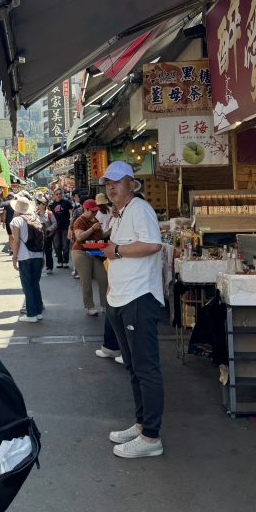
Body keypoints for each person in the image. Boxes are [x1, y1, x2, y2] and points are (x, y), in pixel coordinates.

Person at [101, 161, 165, 459]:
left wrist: (117, 250)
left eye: (117, 182)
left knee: (146, 368)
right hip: (121, 298)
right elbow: (113, 249)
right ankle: (141, 424)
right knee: (133, 366)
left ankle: (151, 437)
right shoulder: (122, 212)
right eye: (107, 183)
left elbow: (153, 245)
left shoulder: (140, 209)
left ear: (132, 184)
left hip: (139, 298)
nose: (111, 187)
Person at [71, 199, 109, 316]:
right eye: (92, 211)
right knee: (86, 281)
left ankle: (104, 304)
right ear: (85, 209)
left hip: (95, 252)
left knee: (103, 279)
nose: (95, 213)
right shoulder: (79, 220)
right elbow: (79, 237)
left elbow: (101, 236)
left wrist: (112, 229)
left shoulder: (95, 220)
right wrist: (92, 228)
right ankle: (89, 306)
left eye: (96, 211)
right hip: (81, 252)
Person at [10, 195, 44, 323]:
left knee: (27, 286)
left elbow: (16, 241)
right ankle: (38, 312)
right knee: (35, 284)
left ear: (17, 209)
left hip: (24, 256)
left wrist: (14, 257)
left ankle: (31, 315)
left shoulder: (16, 221)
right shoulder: (35, 218)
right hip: (38, 255)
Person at [49, 188, 72, 268]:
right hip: (56, 228)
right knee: (57, 245)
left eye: (60, 194)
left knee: (65, 245)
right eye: (57, 194)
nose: (58, 195)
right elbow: (49, 215)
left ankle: (65, 261)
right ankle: (59, 260)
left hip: (65, 227)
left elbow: (71, 213)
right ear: (54, 195)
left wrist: (70, 224)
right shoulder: (51, 205)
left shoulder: (66, 202)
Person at [36, 196, 56, 274]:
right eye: (38, 204)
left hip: (48, 236)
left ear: (44, 205)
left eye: (40, 204)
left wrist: (48, 229)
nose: (38, 205)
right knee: (39, 253)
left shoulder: (49, 213)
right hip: (38, 237)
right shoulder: (35, 214)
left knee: (48, 252)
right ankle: (39, 267)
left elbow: (55, 224)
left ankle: (49, 267)